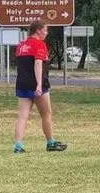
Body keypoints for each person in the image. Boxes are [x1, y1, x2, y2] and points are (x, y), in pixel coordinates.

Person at [13, 21, 67, 154]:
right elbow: (38, 64)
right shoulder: (39, 45)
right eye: (45, 30)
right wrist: (38, 84)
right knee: (46, 114)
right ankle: (50, 142)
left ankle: (18, 145)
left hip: (22, 84)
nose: (46, 33)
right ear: (38, 30)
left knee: (23, 116)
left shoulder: (21, 46)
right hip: (38, 85)